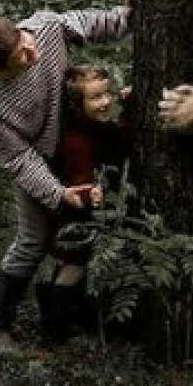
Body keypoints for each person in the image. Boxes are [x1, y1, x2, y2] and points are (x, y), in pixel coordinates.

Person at [0, 4, 130, 349]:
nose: (32, 51)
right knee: (33, 240)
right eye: (21, 56)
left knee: (85, 234)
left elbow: (89, 23)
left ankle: (64, 314)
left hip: (72, 148)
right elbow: (17, 158)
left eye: (25, 41)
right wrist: (57, 193)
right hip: (37, 163)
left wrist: (129, 14)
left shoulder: (44, 30)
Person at [36, 64, 132, 338]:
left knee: (77, 264)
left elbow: (122, 139)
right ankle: (55, 328)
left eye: (106, 95)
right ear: (78, 105)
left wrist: (129, 105)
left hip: (88, 209)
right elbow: (78, 174)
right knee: (74, 265)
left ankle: (65, 319)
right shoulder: (76, 138)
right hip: (74, 211)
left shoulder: (100, 129)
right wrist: (89, 191)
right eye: (95, 98)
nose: (104, 103)